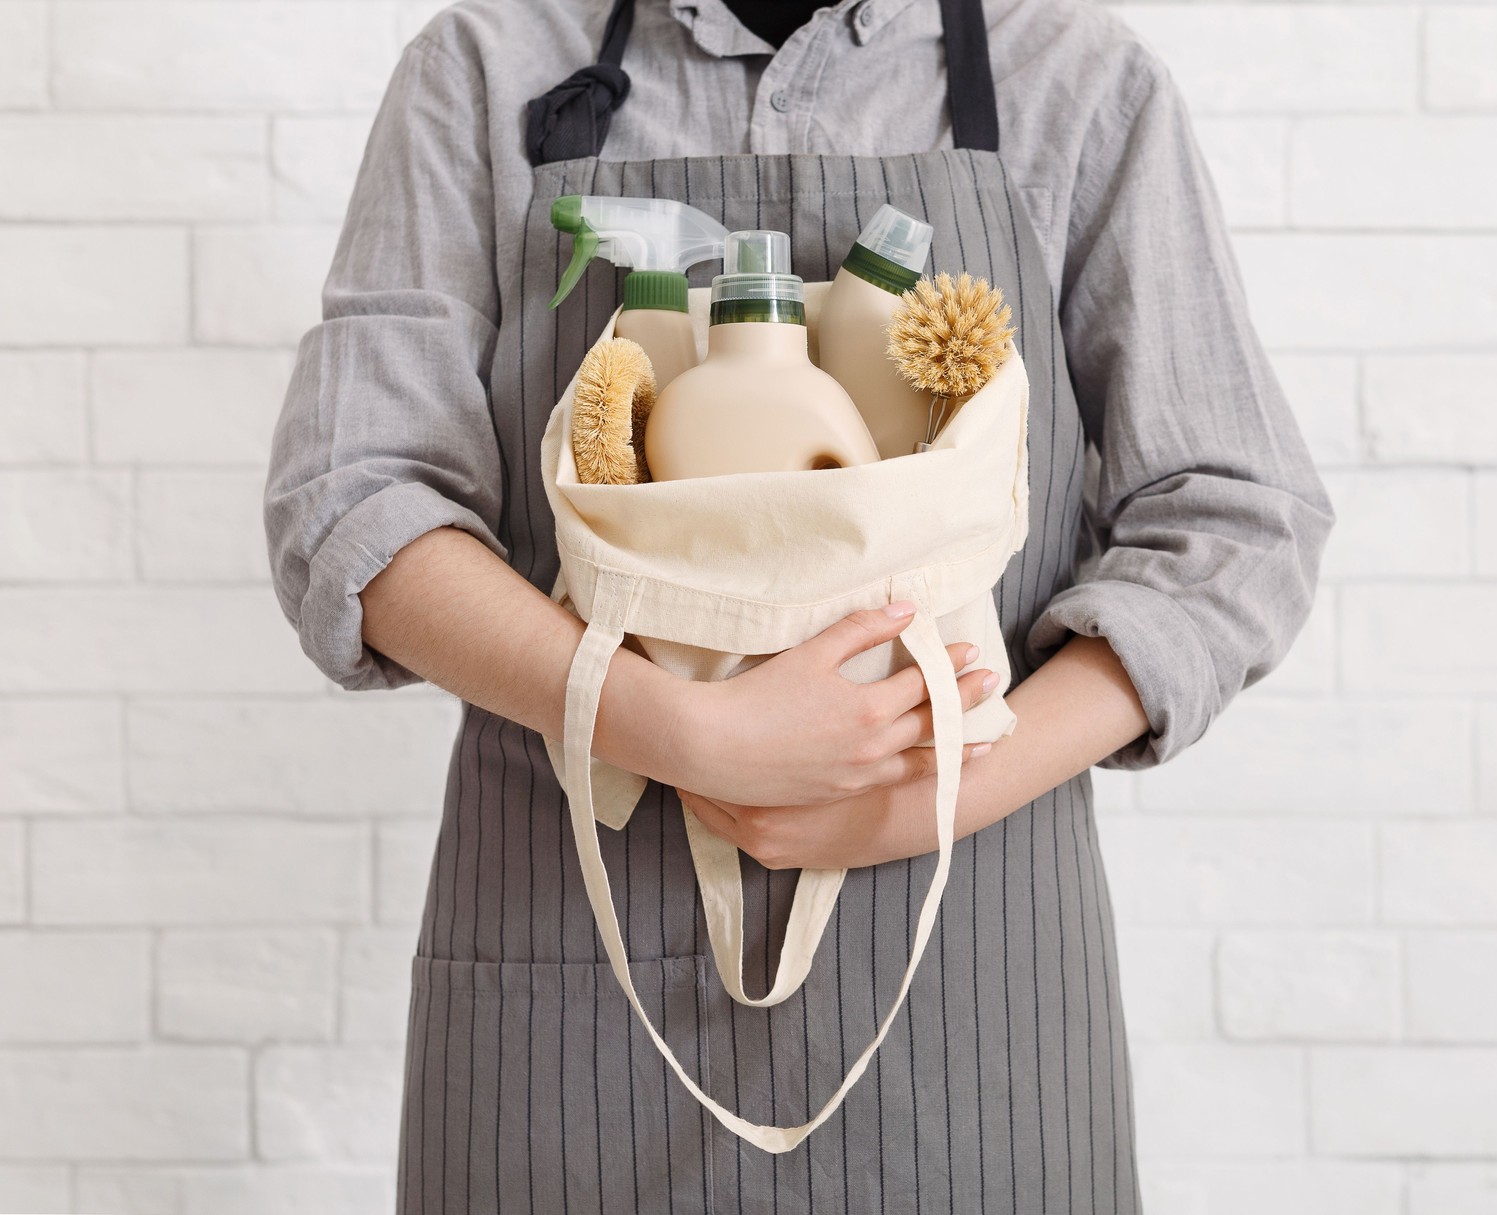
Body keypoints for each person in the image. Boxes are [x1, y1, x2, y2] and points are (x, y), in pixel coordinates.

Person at [263, 0, 1333, 1208]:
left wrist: (934, 796)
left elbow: (1234, 520)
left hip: (968, 991)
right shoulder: (484, 65)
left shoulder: (1074, 82)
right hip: (573, 959)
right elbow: (352, 499)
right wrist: (686, 732)